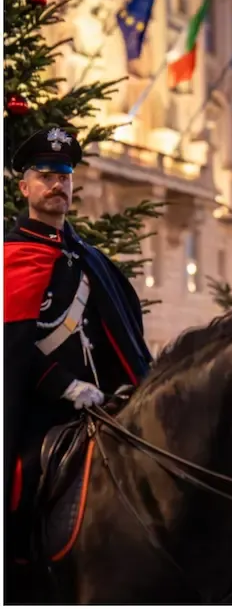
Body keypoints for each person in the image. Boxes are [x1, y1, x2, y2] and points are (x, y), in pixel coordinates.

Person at [4, 127, 152, 555]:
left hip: (104, 406)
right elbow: (8, 348)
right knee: (21, 478)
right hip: (37, 409)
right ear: (24, 186)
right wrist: (65, 386)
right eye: (46, 176)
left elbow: (125, 337)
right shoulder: (11, 256)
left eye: (64, 176)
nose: (56, 185)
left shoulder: (90, 259)